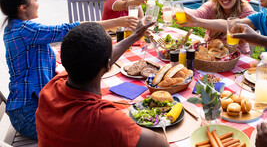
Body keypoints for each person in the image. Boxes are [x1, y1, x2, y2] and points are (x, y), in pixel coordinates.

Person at [0, 0, 138, 140]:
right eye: (35, 0)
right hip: (29, 114)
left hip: (34, 106)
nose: (38, 3)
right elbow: (69, 29)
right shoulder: (25, 30)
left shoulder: (16, 28)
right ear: (23, 7)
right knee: (91, 131)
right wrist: (117, 22)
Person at [36, 21, 169, 147]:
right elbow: (162, 144)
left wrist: (135, 36)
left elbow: (104, 58)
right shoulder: (107, 120)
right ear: (107, 64)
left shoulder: (50, 88)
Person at [184, 0, 255, 55]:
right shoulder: (212, 5)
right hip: (211, 57)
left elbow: (230, 26)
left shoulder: (247, 11)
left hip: (238, 58)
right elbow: (197, 13)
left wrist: (197, 21)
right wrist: (179, 10)